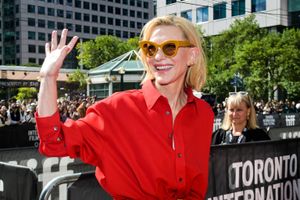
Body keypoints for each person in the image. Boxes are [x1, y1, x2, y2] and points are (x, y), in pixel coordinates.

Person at [35, 15, 214, 199]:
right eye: (150, 48)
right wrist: (48, 78)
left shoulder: (203, 114)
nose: (158, 57)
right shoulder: (116, 109)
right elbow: (54, 140)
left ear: (192, 55)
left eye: (170, 47)